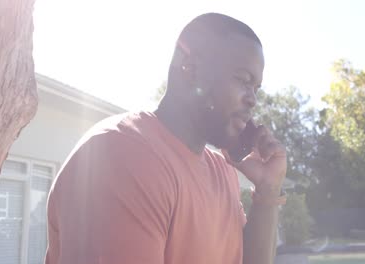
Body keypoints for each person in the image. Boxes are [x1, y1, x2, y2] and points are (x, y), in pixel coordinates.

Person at [45, 13, 287, 264]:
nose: (253, 99)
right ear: (190, 69)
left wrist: (268, 191)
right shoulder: (123, 156)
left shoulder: (222, 172)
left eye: (256, 88)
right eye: (244, 80)